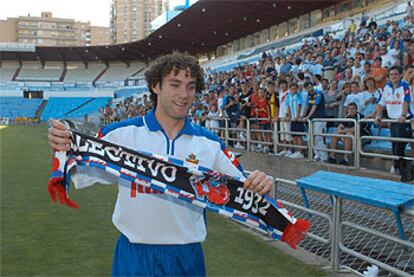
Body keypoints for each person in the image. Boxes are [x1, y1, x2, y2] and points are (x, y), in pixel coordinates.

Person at [47, 52, 273, 276]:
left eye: (191, 86)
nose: (184, 94)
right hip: (135, 256)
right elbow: (77, 168)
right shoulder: (120, 135)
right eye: (175, 84)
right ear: (156, 86)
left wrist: (262, 183)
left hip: (186, 257)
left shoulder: (210, 144)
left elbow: (246, 190)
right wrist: (62, 146)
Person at [375, 66, 412, 176]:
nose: (393, 76)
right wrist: (378, 115)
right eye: (391, 74)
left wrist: (403, 115)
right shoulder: (387, 87)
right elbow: (381, 103)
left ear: (400, 75)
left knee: (400, 146)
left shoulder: (404, 86)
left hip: (403, 121)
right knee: (394, 145)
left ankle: (402, 171)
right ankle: (399, 169)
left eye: (396, 74)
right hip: (393, 121)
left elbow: (405, 101)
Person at [302, 82, 328, 162]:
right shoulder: (308, 95)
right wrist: (302, 116)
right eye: (308, 88)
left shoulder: (318, 93)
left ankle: (324, 157)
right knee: (312, 137)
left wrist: (308, 116)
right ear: (306, 89)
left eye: (311, 87)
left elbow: (315, 105)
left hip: (320, 119)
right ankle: (317, 154)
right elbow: (307, 106)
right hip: (312, 120)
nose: (310, 89)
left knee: (319, 137)